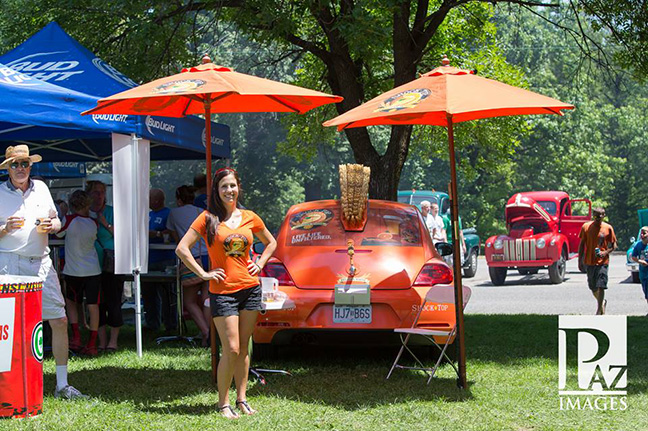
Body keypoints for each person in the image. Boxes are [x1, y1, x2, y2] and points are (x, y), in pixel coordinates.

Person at [176, 168, 277, 419]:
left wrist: (261, 262)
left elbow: (271, 242)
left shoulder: (250, 217)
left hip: (250, 288)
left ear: (238, 187)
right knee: (230, 349)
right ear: (216, 190)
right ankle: (223, 403)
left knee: (244, 348)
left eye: (232, 186)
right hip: (223, 292)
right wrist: (203, 274)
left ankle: (242, 399)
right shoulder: (208, 218)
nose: (229, 191)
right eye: (224, 187)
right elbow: (182, 248)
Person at [0, 145, 87, 399]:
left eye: (24, 164)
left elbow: (58, 222)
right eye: (15, 165)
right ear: (7, 168)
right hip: (8, 262)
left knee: (59, 320)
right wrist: (4, 228)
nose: (20, 169)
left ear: (31, 166)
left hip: (41, 262)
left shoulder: (42, 188)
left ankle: (62, 385)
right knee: (8, 326)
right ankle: (8, 386)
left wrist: (53, 224)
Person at [166, 185, 211, 346]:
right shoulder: (202, 212)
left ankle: (205, 332)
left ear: (178, 199)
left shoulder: (173, 213)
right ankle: (210, 334)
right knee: (206, 299)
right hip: (208, 258)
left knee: (190, 301)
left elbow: (174, 236)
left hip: (192, 259)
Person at [58, 190, 101, 356]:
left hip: (73, 270)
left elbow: (57, 232)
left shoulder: (68, 220)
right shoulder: (93, 223)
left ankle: (76, 337)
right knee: (93, 306)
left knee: (71, 302)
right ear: (88, 204)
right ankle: (92, 343)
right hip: (93, 270)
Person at [87, 180, 122, 353]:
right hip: (91, 266)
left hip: (112, 264)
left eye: (101, 192)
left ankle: (113, 342)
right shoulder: (83, 213)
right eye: (95, 192)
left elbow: (121, 235)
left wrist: (104, 223)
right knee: (96, 303)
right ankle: (101, 341)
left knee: (114, 302)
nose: (98, 195)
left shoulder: (111, 212)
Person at [143, 188, 177, 332]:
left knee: (168, 294)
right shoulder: (148, 215)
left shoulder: (169, 214)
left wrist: (157, 233)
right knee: (149, 294)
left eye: (149, 198)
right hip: (149, 259)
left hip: (165, 259)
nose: (147, 201)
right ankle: (152, 324)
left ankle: (171, 325)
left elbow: (170, 233)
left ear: (157, 200)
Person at [578, 207, 617, 315]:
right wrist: (580, 261)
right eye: (596, 215)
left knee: (601, 285)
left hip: (602, 262)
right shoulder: (586, 227)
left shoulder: (608, 228)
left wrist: (605, 253)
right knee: (592, 286)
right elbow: (581, 245)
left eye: (601, 215)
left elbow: (614, 245)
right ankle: (602, 302)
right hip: (589, 261)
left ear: (604, 215)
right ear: (593, 215)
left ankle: (599, 310)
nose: (599, 217)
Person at [631, 226, 648, 315]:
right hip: (644, 273)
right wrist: (639, 261)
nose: (642, 235)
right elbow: (633, 256)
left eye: (644, 233)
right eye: (641, 233)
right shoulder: (638, 245)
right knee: (646, 292)